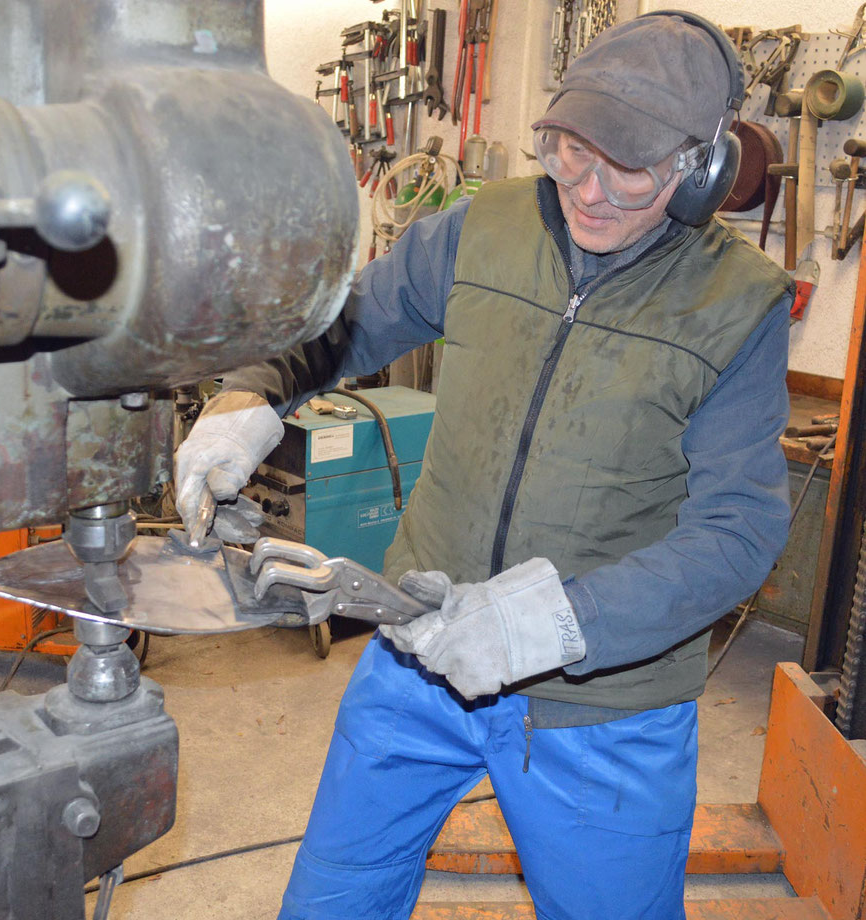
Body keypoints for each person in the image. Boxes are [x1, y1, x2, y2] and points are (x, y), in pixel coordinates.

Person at [175, 11, 794, 920]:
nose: (586, 191)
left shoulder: (739, 306)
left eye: (626, 169)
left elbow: (740, 532)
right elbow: (353, 319)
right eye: (569, 152)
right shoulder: (486, 227)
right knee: (330, 903)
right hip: (420, 645)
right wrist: (254, 395)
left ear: (697, 173)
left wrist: (558, 621)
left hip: (604, 707)